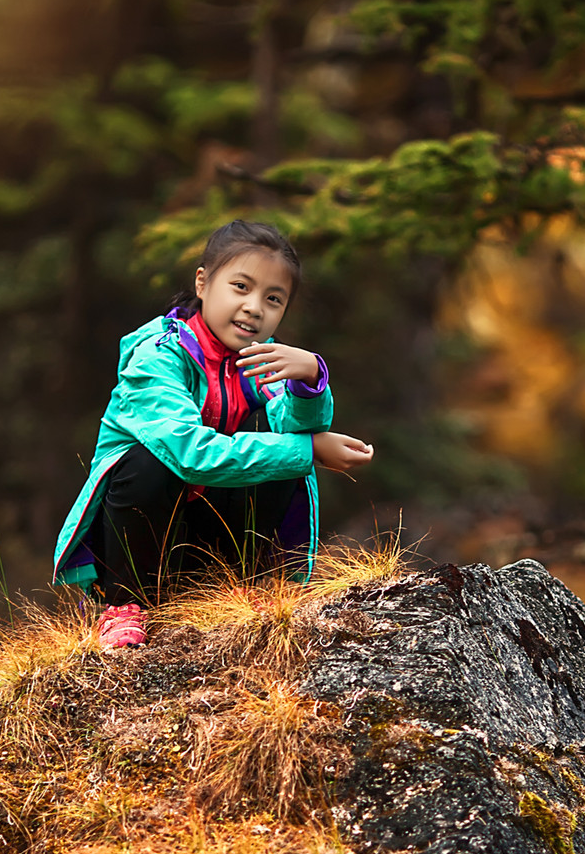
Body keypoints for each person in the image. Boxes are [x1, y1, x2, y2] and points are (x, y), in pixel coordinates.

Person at [52, 219, 373, 650]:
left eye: (273, 298)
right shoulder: (158, 355)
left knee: (280, 448)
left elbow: (296, 429)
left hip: (206, 541)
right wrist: (311, 448)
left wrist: (310, 381)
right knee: (148, 462)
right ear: (203, 283)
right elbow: (191, 456)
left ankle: (236, 582)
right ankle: (126, 605)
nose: (255, 307)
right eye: (241, 287)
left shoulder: (262, 359)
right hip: (143, 541)